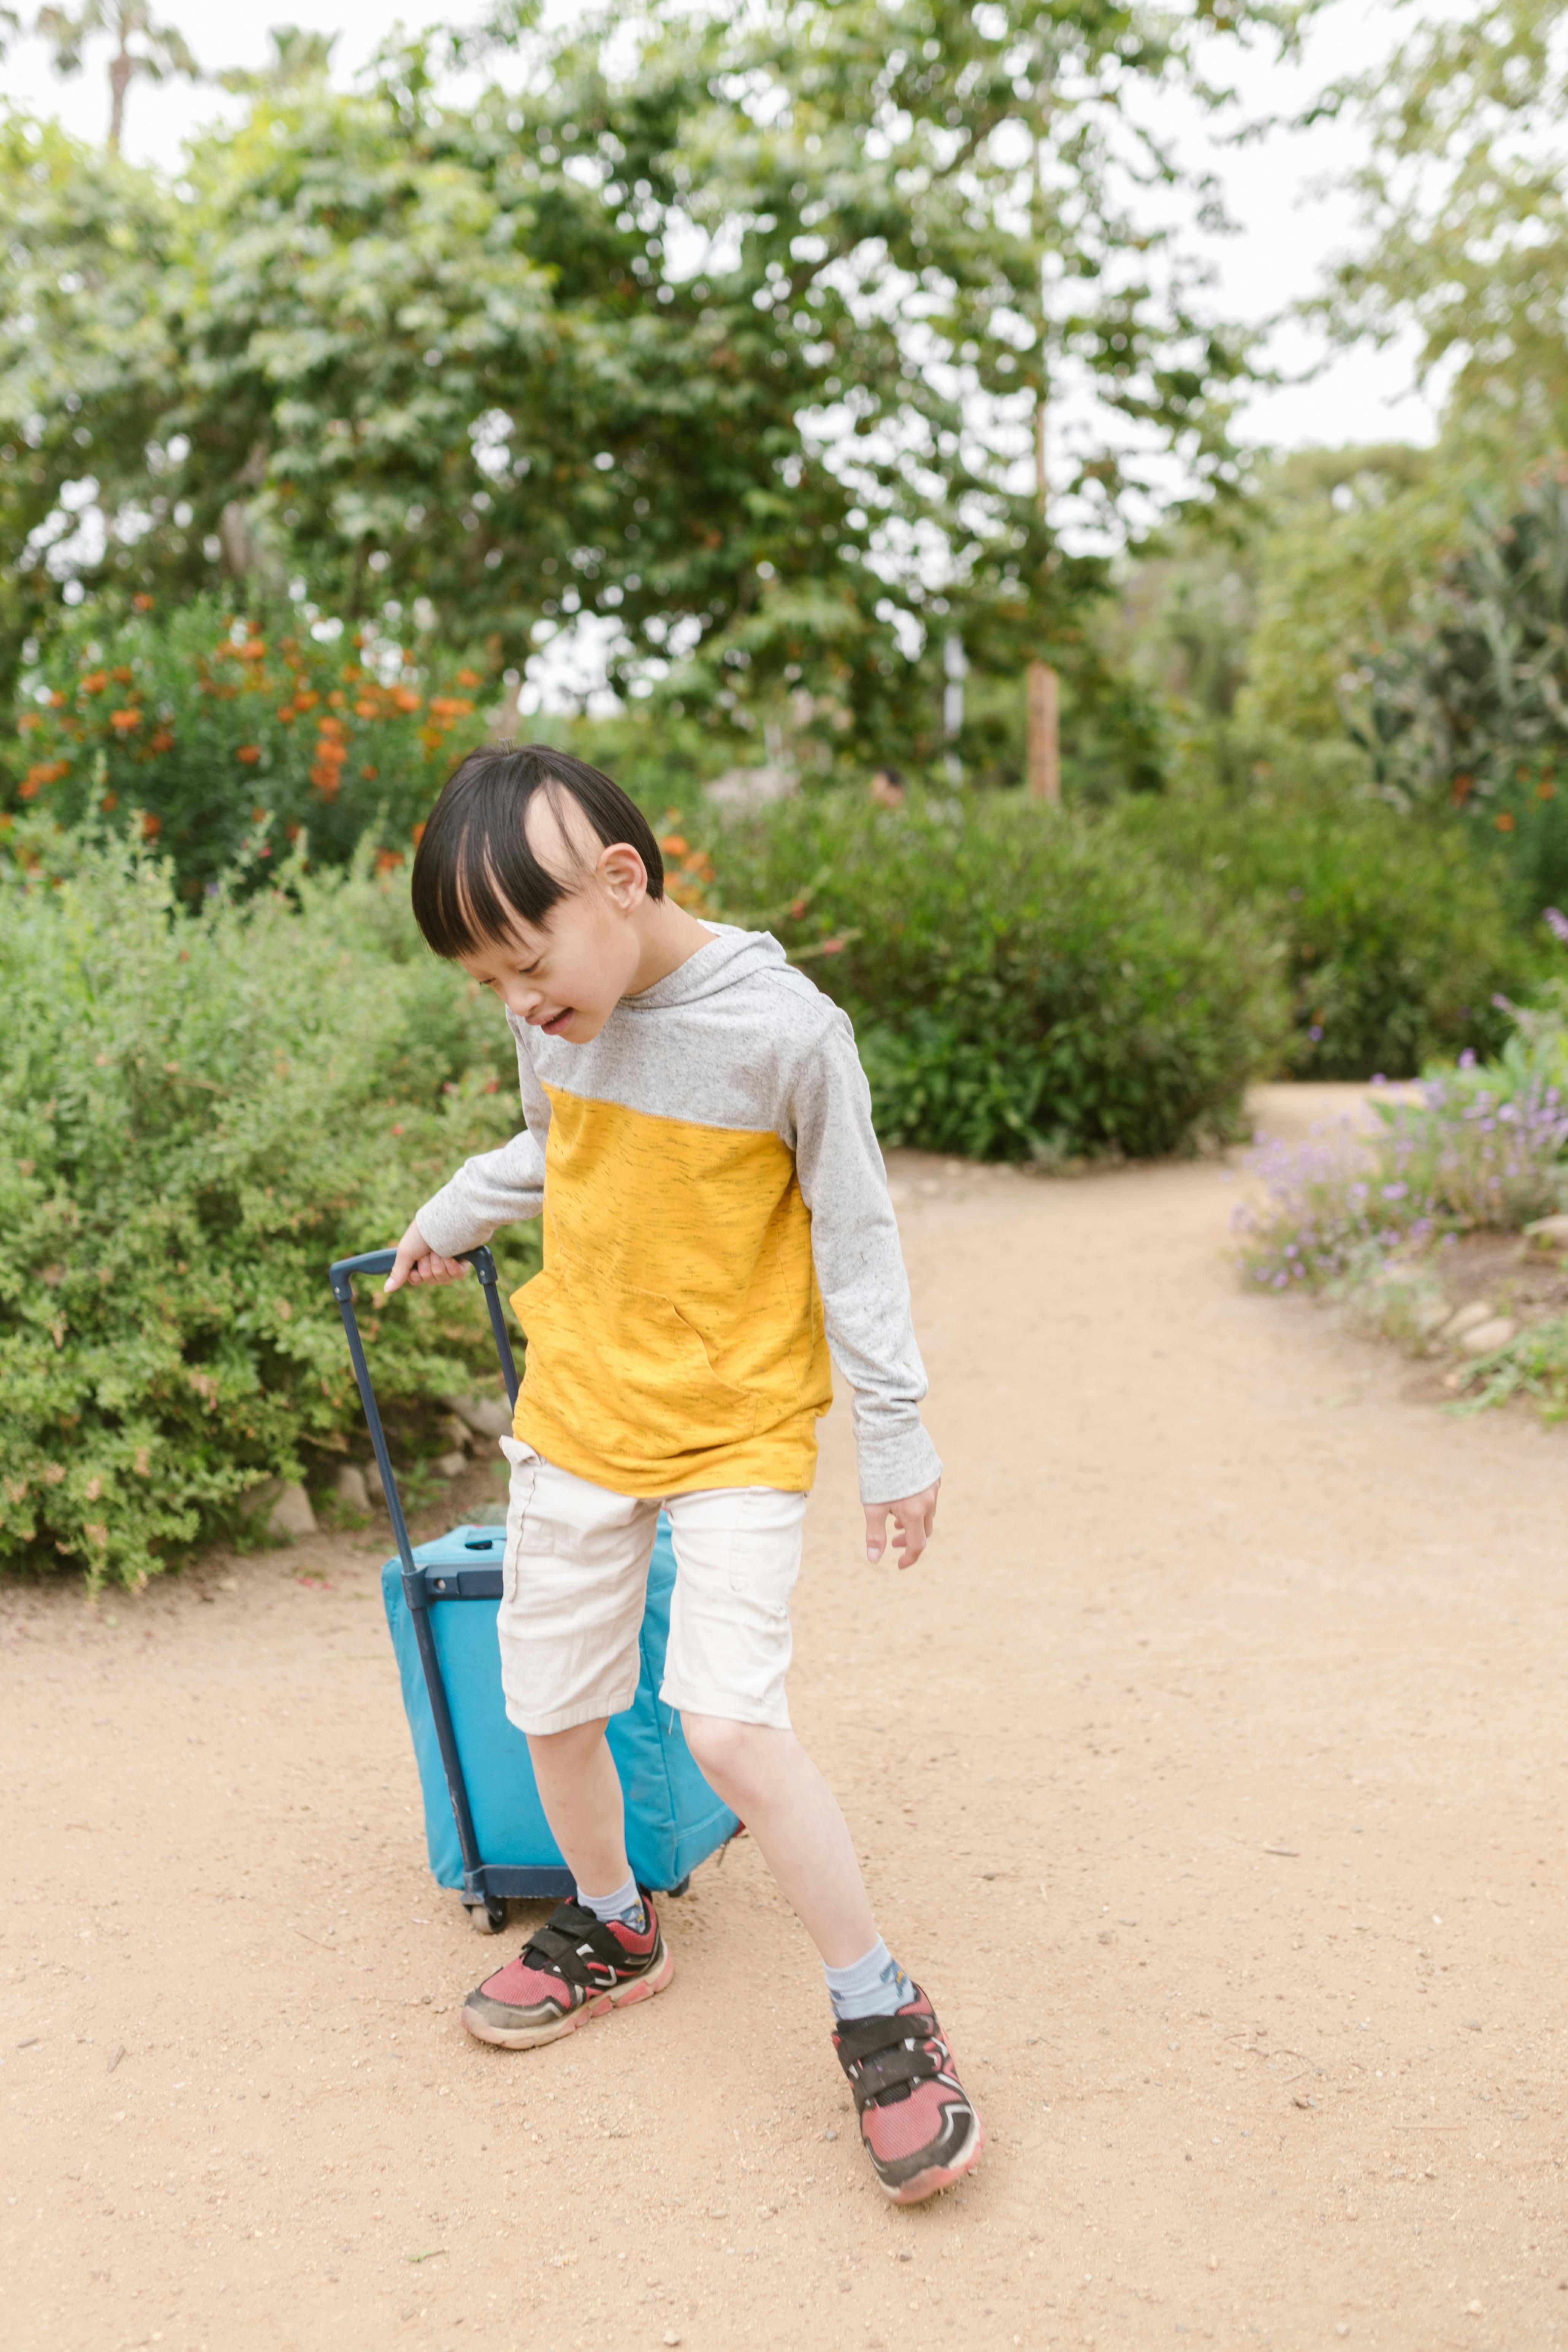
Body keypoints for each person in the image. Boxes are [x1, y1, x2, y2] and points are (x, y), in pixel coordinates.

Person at [385, 743, 983, 2206]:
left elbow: (857, 1239)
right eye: (489, 983)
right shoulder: (559, 1019)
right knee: (550, 1698)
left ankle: (878, 2002)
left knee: (726, 1727)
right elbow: (552, 1150)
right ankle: (612, 1926)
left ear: (622, 882)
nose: (520, 1004)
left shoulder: (788, 1032)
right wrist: (451, 1215)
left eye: (525, 962)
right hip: (585, 1405)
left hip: (735, 1428)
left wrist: (895, 1437)